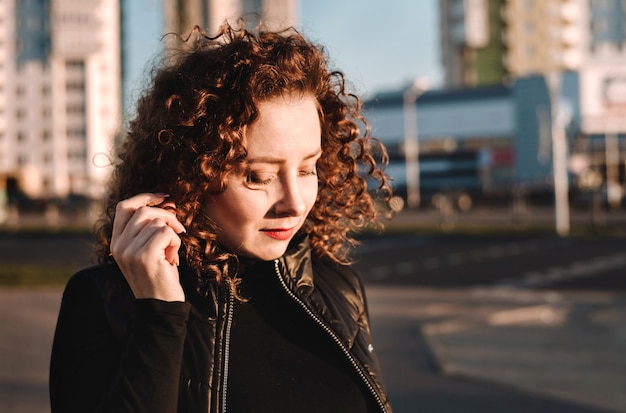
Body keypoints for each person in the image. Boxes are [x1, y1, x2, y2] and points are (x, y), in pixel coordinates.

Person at [50, 22, 393, 413]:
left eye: (307, 169)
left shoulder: (338, 286)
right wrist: (159, 315)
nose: (295, 204)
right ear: (191, 172)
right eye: (258, 176)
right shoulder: (105, 302)